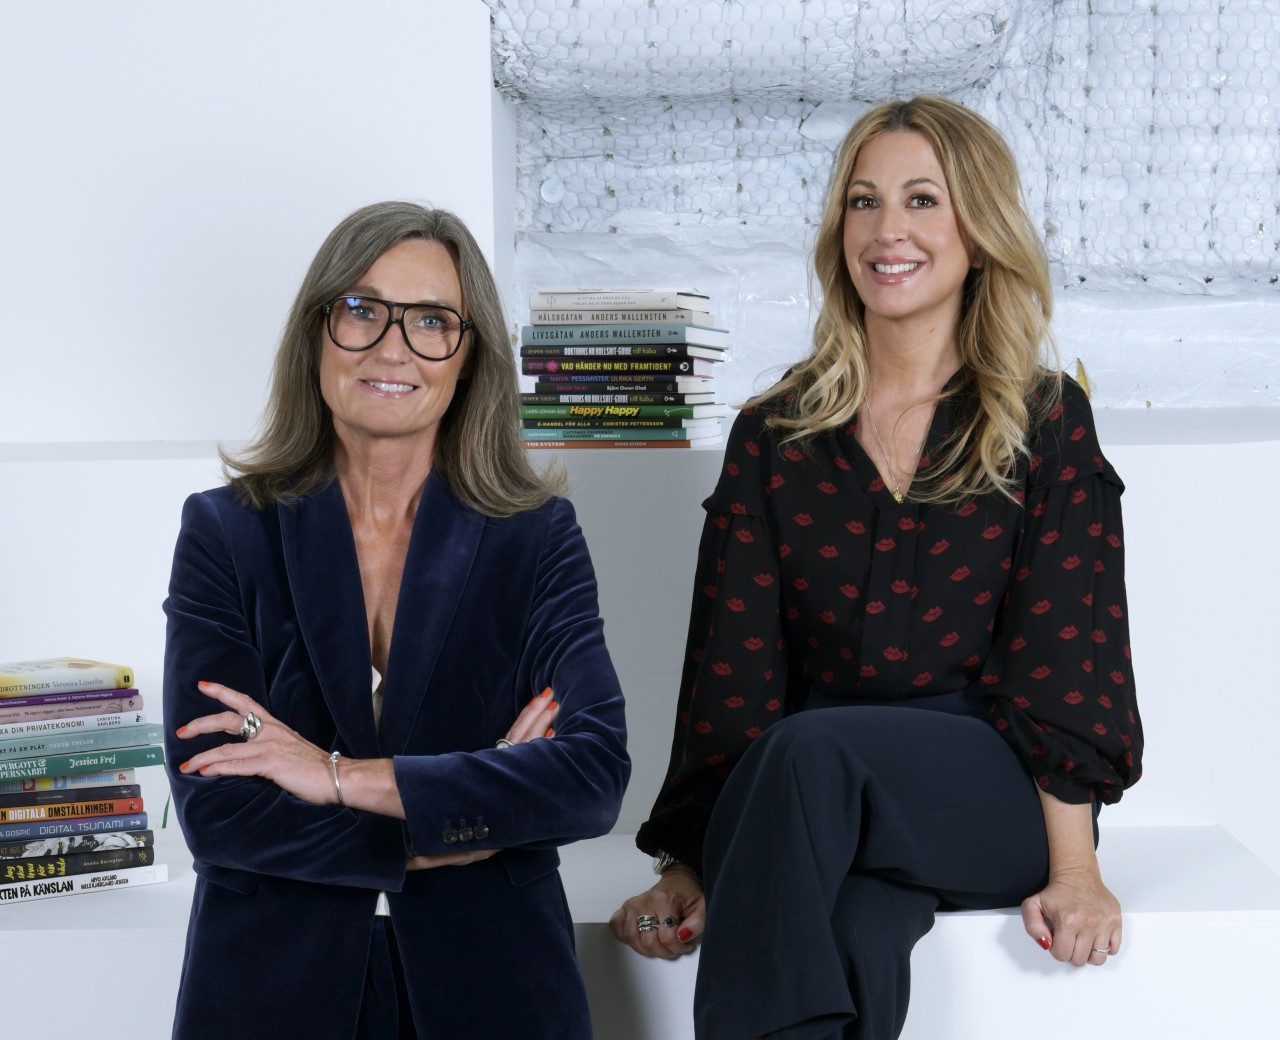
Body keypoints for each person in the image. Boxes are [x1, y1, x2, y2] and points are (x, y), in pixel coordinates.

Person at [610, 96, 1143, 1040]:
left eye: (921, 200)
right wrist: (692, 861)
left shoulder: (1046, 419)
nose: (887, 229)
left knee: (810, 752)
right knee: (854, 923)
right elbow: (732, 674)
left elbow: (1065, 659)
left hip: (994, 793)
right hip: (809, 803)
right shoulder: (774, 432)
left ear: (979, 232)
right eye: (864, 202)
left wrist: (1075, 870)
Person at [163, 201, 629, 1040]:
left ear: (469, 358)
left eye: (432, 322)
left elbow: (590, 777)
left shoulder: (535, 538)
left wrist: (334, 776)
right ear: (316, 332)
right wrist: (469, 814)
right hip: (270, 990)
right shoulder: (225, 532)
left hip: (496, 987)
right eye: (362, 309)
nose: (393, 348)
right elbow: (218, 809)